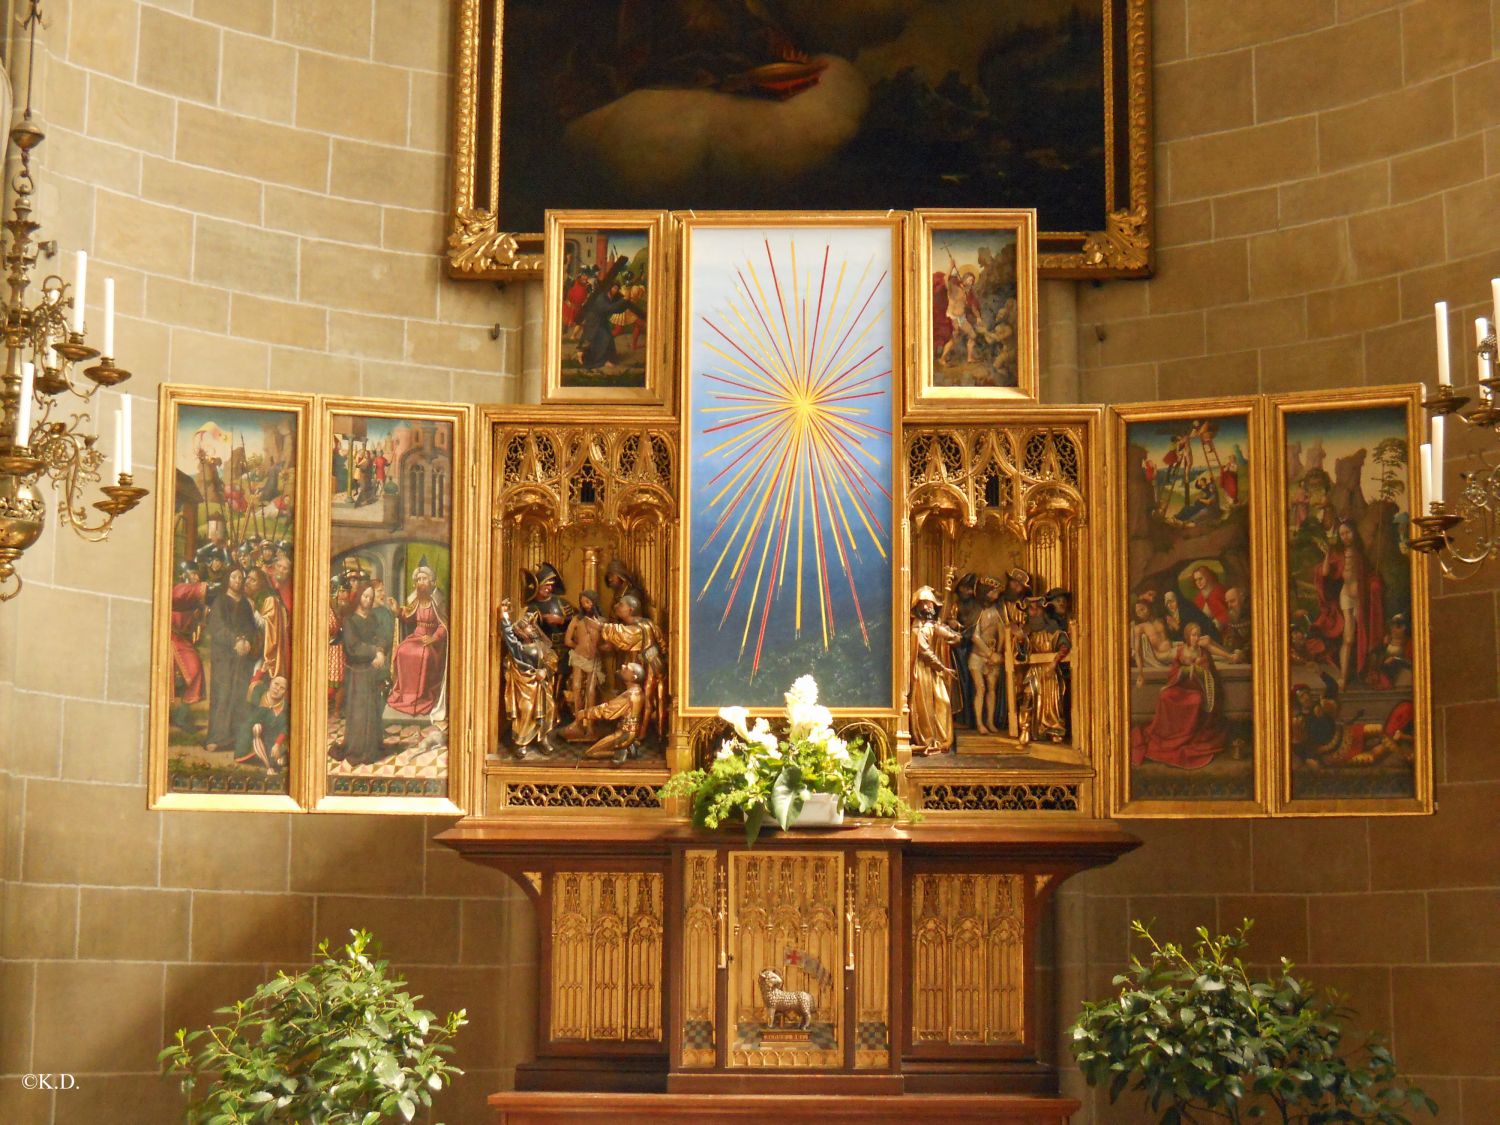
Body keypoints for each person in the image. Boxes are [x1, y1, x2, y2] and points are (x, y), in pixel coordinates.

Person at [1130, 622, 1235, 770]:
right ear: (1187, 636)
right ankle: (1167, 733)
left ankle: (1187, 735)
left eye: (1198, 635)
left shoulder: (1202, 652)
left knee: (1196, 700)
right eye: (1193, 635)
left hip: (1196, 689)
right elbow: (1173, 671)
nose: (1196, 638)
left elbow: (1208, 674)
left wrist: (1199, 668)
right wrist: (1184, 671)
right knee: (1165, 695)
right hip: (1180, 686)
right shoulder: (1180, 650)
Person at [1315, 519, 1384, 688]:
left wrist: (1374, 585)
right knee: (1348, 638)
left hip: (1360, 597)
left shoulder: (1361, 554)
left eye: (1348, 532)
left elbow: (1370, 575)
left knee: (1363, 633)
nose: (1345, 536)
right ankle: (1343, 677)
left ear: (1354, 533)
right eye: (1342, 534)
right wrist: (1326, 554)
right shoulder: (1338, 554)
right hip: (1346, 596)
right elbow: (1324, 572)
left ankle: (1364, 671)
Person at [204, 566, 258, 752]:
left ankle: (235, 737)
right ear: (228, 579)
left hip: (242, 657)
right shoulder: (220, 601)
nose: (238, 581)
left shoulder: (244, 603)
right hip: (224, 656)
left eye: (241, 578)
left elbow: (251, 628)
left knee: (239, 695)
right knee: (223, 694)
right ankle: (217, 737)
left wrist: (247, 641)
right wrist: (235, 640)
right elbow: (217, 627)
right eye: (234, 577)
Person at [599, 594, 667, 738]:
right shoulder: (649, 623)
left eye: (620, 605)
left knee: (644, 700)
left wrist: (601, 626)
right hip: (649, 665)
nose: (616, 606)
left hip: (648, 667)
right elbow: (662, 644)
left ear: (630, 610)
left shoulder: (638, 628)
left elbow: (623, 635)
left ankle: (640, 735)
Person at [337, 581, 390, 765]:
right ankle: (358, 749)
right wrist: (375, 651)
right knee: (360, 712)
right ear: (359, 596)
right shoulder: (350, 620)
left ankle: (372, 748)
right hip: (357, 673)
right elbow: (354, 647)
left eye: (370, 597)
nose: (368, 600)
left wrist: (381, 651)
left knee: (372, 710)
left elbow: (382, 636)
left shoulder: (373, 617)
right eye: (365, 596)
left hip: (371, 672)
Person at [387, 565, 449, 719]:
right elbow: (407, 616)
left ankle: (421, 697)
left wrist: (434, 638)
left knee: (425, 655)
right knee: (402, 651)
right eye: (418, 579)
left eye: (424, 579)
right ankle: (405, 695)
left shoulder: (439, 601)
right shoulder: (415, 600)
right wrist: (397, 611)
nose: (421, 582)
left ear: (432, 582)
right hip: (416, 637)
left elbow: (444, 624)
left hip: (433, 642)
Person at [499, 598, 557, 756]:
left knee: (549, 709)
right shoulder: (520, 649)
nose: (531, 629)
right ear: (520, 632)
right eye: (527, 627)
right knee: (527, 710)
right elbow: (509, 636)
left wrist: (545, 671)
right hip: (527, 685)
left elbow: (552, 658)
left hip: (543, 684)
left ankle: (543, 738)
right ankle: (521, 742)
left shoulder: (542, 645)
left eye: (532, 627)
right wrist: (504, 615)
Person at [908, 586, 962, 755]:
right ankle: (929, 738)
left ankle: (942, 738)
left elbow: (944, 631)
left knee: (942, 702)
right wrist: (943, 668)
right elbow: (925, 653)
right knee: (926, 706)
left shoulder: (930, 624)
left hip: (933, 670)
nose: (927, 607)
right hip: (922, 670)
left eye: (929, 603)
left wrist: (955, 634)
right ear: (917, 607)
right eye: (923, 604)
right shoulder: (917, 629)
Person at [560, 662, 646, 764]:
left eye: (627, 668)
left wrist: (585, 713)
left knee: (591, 753)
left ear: (633, 677)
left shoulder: (629, 696)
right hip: (632, 732)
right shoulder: (638, 691)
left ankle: (621, 751)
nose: (623, 666)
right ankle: (628, 745)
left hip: (624, 734)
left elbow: (607, 710)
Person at [564, 590, 605, 736]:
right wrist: (578, 648)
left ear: (594, 602)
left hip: (593, 659)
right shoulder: (576, 620)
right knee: (576, 687)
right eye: (582, 603)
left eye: (587, 602)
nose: (585, 605)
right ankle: (578, 721)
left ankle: (590, 724)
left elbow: (608, 643)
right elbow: (567, 640)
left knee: (591, 691)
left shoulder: (602, 622)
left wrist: (598, 648)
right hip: (578, 658)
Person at [169, 561, 207, 713]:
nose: (196, 577)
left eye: (197, 573)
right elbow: (195, 591)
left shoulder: (192, 594)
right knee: (190, 671)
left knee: (194, 671)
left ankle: (181, 715)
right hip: (172, 638)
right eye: (193, 573)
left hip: (182, 639)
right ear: (183, 575)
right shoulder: (180, 589)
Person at [236, 674, 290, 772]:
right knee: (257, 727)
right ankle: (269, 766)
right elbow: (253, 685)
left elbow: (285, 728)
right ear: (270, 683)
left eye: (282, 688)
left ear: (285, 692)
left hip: (273, 738)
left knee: (281, 761)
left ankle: (277, 759)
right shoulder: (260, 693)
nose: (277, 689)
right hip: (253, 736)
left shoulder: (285, 706)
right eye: (276, 684)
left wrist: (277, 744)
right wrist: (261, 671)